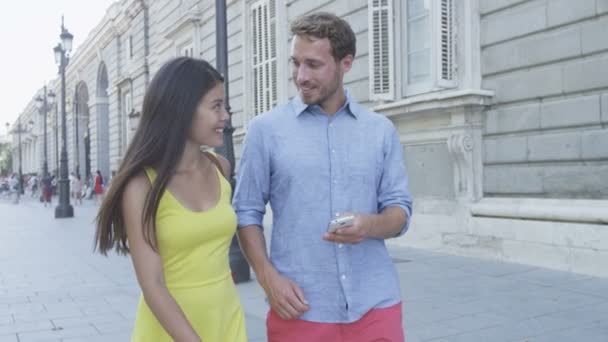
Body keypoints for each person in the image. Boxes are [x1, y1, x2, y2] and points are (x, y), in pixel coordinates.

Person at [233, 12, 412, 342]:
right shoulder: (265, 131)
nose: (300, 76)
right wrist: (267, 277)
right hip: (300, 309)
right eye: (295, 63)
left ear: (346, 64)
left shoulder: (381, 131)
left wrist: (368, 226)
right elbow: (246, 213)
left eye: (313, 65)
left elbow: (400, 212)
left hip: (375, 304)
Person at [94, 57, 247, 342]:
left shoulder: (221, 168)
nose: (225, 115)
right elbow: (152, 285)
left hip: (227, 319)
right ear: (183, 110)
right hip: (171, 330)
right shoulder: (141, 186)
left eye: (224, 106)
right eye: (216, 106)